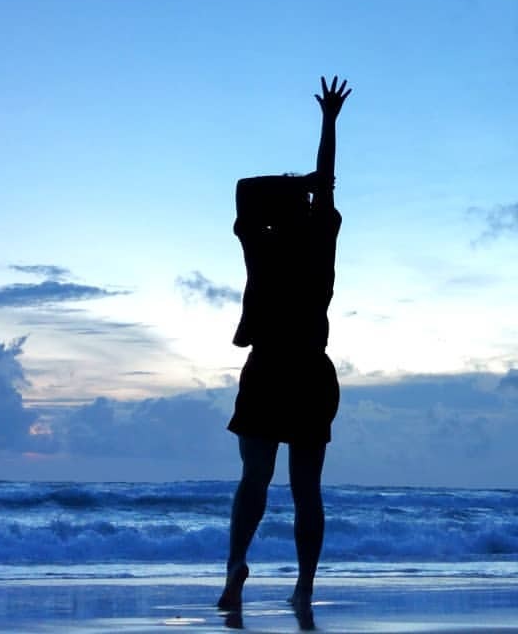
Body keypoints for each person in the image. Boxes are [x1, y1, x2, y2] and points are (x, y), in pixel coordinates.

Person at [217, 75, 351, 628]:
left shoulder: (260, 241)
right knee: (304, 489)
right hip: (305, 372)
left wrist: (301, 178)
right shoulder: (319, 237)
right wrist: (329, 125)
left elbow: (247, 189)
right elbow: (325, 187)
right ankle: (303, 586)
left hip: (273, 367)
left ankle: (235, 569)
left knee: (256, 479)